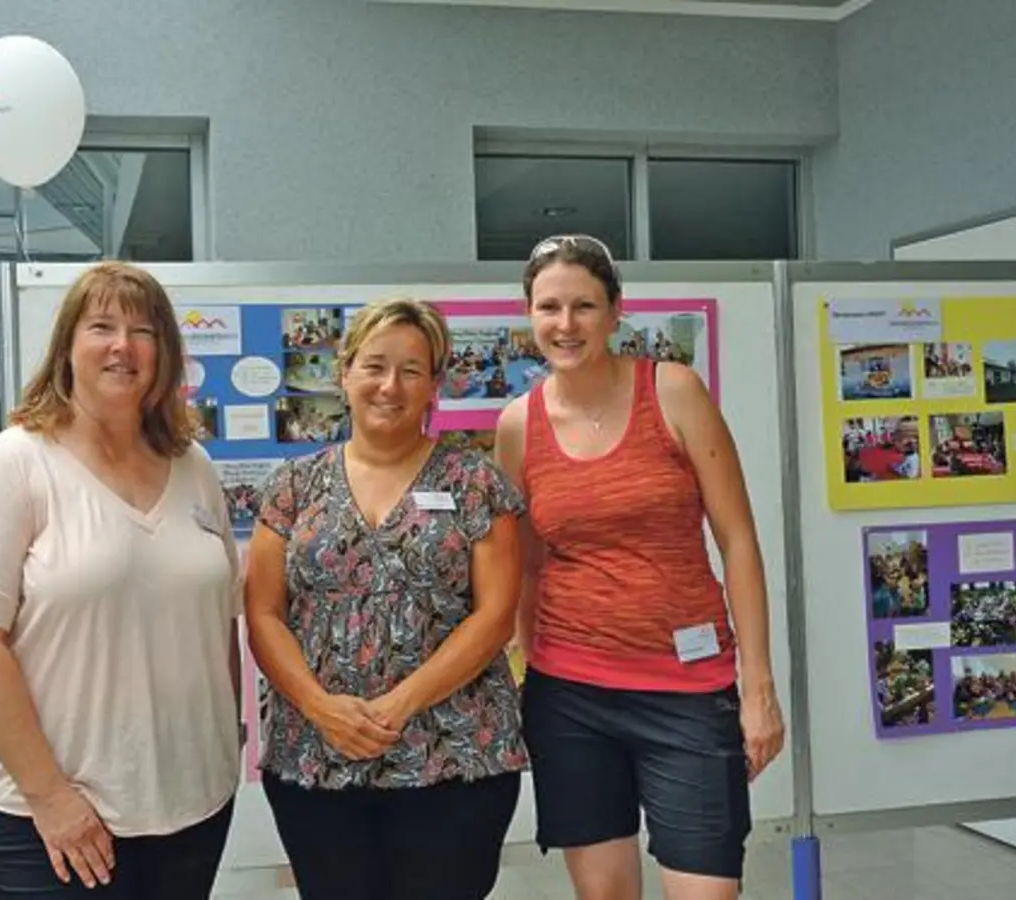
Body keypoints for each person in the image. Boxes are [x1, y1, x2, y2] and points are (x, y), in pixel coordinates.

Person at [0, 261, 243, 899]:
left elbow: (221, 619)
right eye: (102, 327)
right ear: (67, 347)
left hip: (193, 805)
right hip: (50, 819)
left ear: (164, 353)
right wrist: (50, 796)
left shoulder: (195, 467)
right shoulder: (14, 463)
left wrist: (226, 742)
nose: (123, 346)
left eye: (143, 331)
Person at [494, 234, 786, 900]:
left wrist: (759, 687)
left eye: (584, 306)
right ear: (529, 314)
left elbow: (738, 540)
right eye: (548, 307)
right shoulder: (517, 426)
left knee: (707, 890)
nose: (566, 324)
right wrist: (527, 671)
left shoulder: (673, 392)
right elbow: (527, 567)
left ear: (616, 310)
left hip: (688, 690)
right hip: (571, 696)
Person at [245, 297, 526, 900]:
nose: (390, 386)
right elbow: (263, 612)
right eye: (374, 366)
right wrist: (322, 708)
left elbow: (496, 615)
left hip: (454, 758)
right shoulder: (292, 486)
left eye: (411, 370)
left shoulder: (476, 483)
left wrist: (397, 707)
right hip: (316, 757)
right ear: (345, 373)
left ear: (434, 385)